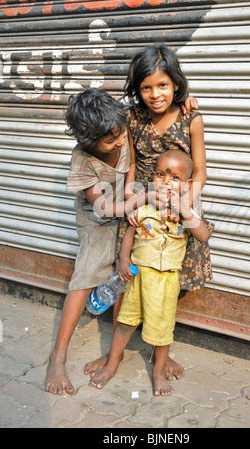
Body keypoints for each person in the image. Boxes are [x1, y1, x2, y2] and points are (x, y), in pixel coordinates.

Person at [84, 44, 213, 385]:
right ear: (137, 88)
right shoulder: (132, 118)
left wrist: (183, 203)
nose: (155, 94)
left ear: (176, 84)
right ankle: (116, 353)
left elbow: (199, 172)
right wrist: (135, 198)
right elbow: (130, 176)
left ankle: (161, 354)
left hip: (180, 207)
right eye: (146, 87)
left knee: (172, 281)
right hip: (144, 206)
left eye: (163, 85)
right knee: (126, 280)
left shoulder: (192, 117)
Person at [45, 88, 165, 395]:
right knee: (85, 276)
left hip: (125, 210)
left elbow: (135, 162)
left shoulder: (120, 130)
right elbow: (100, 207)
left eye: (121, 135)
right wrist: (139, 201)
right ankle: (57, 359)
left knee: (123, 277)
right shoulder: (83, 159)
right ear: (89, 141)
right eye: (111, 141)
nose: (120, 142)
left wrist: (131, 196)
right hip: (96, 218)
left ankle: (115, 352)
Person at [87, 150, 211, 396]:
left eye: (175, 177)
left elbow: (203, 235)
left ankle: (158, 370)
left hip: (166, 282)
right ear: (152, 179)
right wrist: (123, 259)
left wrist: (184, 210)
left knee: (163, 329)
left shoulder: (187, 214)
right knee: (125, 321)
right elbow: (129, 237)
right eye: (161, 174)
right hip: (138, 277)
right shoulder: (143, 208)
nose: (166, 180)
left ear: (186, 185)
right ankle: (113, 361)